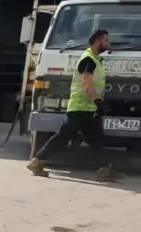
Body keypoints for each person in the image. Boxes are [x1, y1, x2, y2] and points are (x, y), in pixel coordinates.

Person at [27, 29, 124, 182]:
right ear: (97, 41)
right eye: (106, 40)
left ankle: (105, 169)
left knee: (97, 140)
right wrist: (97, 102)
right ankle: (36, 161)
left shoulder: (95, 59)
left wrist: (97, 104)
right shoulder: (88, 60)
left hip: (88, 109)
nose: (108, 43)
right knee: (63, 137)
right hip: (80, 108)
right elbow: (86, 83)